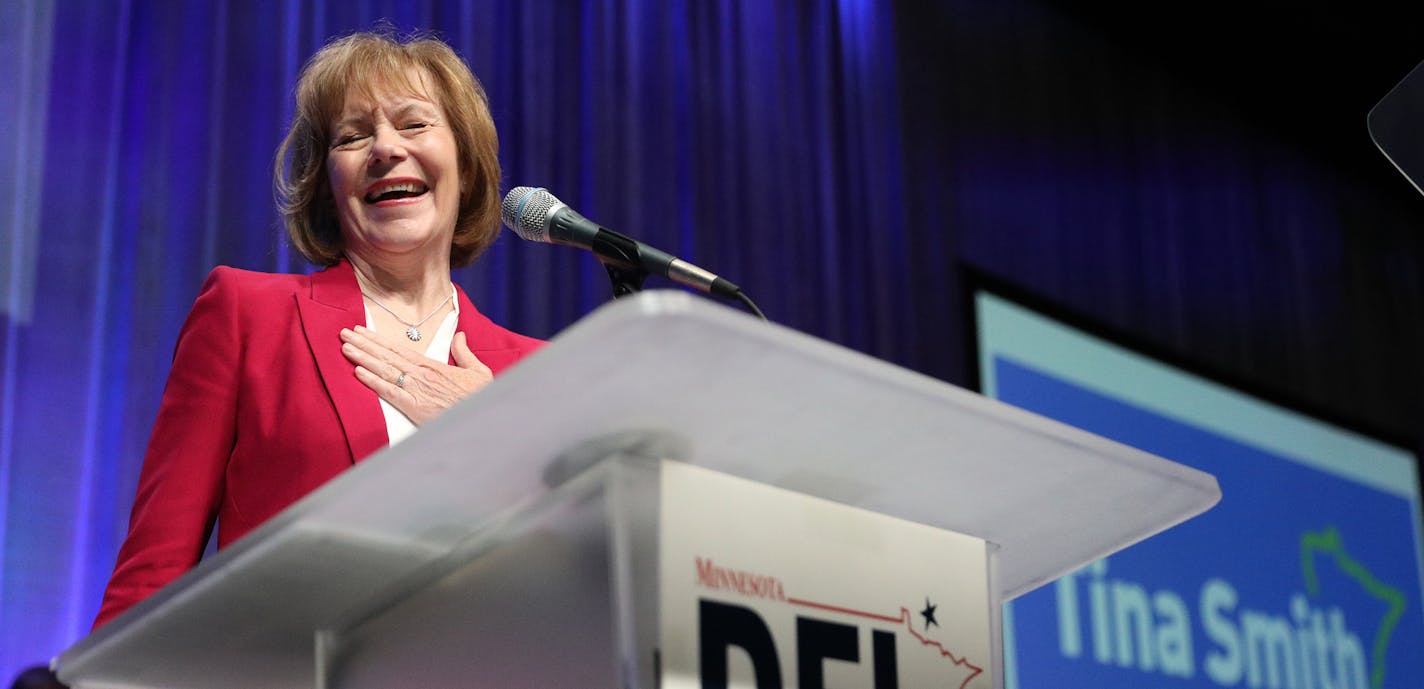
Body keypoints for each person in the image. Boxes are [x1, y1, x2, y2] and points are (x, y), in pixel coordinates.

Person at [93, 30, 543, 628]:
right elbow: (156, 566)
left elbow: (561, 589)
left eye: (414, 125)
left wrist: (501, 439)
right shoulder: (246, 315)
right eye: (353, 136)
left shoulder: (536, 372)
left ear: (465, 166)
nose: (385, 148)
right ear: (328, 191)